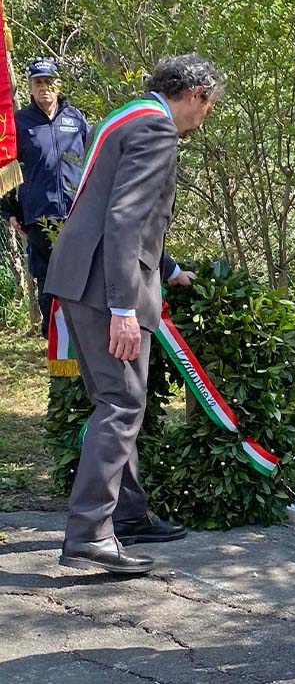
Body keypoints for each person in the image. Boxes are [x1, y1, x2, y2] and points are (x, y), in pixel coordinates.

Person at [44, 53, 223, 575]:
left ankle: (129, 513)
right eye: (207, 106)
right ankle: (89, 534)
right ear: (195, 95)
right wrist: (124, 306)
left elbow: (115, 206)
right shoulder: (157, 130)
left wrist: (165, 269)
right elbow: (124, 217)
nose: (204, 117)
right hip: (106, 287)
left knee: (115, 400)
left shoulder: (129, 115)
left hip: (84, 274)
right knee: (122, 403)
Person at [5, 59, 90, 337]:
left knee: (83, 279)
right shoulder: (18, 123)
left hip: (77, 216)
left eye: (49, 82)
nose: (44, 88)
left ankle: (84, 344)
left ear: (59, 85)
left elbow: (93, 161)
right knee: (49, 282)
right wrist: (10, 210)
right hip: (40, 216)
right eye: (38, 82)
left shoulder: (75, 118)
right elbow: (5, 168)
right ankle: (55, 345)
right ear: (30, 87)